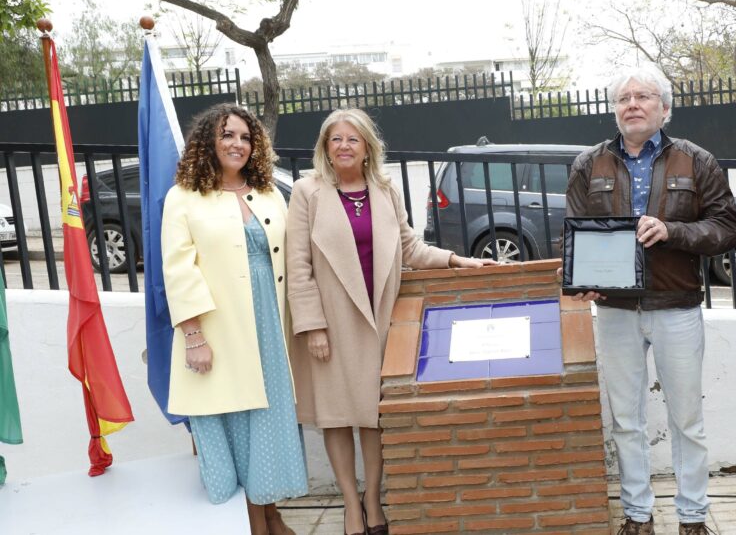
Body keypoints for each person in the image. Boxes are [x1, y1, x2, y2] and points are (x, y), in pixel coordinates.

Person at [286, 109, 492, 535]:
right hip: (332, 323)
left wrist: (456, 259)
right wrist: (313, 327)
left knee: (374, 416)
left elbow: (410, 247)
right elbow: (298, 265)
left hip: (379, 318)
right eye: (335, 139)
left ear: (367, 148)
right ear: (325, 146)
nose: (343, 146)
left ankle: (373, 498)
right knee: (337, 415)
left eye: (352, 139)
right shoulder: (307, 192)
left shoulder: (384, 189)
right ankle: (350, 505)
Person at [565, 64, 736, 535]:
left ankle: (692, 516)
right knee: (626, 419)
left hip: (676, 306)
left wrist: (673, 231)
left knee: (687, 419)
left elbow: (726, 228)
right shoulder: (589, 164)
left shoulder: (696, 161)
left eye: (644, 97)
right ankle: (637, 515)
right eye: (624, 98)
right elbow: (575, 234)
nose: (633, 105)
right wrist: (584, 279)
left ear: (665, 108)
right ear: (614, 110)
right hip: (616, 310)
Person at [162, 104, 306, 535]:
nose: (237, 144)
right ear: (208, 141)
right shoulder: (183, 196)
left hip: (268, 327)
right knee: (232, 422)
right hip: (218, 330)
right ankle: (251, 522)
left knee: (267, 420)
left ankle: (269, 511)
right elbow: (178, 268)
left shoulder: (267, 193)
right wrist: (194, 337)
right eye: (227, 135)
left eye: (245, 137)